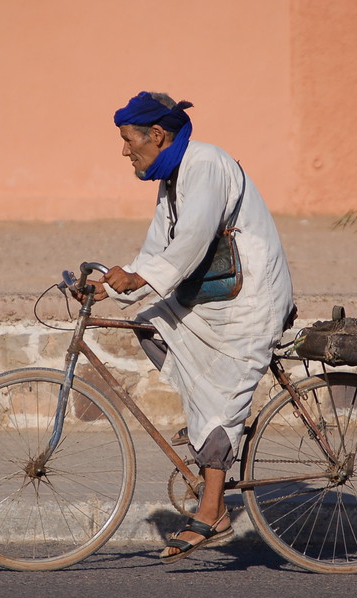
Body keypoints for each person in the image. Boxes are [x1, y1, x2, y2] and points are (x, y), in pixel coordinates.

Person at [90, 91, 294, 563]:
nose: (124, 151)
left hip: (248, 302)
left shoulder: (205, 165)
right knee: (150, 325)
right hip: (213, 299)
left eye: (128, 141)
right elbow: (161, 246)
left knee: (220, 398)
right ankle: (206, 430)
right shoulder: (173, 176)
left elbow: (195, 237)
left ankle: (213, 509)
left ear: (156, 135)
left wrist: (142, 277)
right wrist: (110, 288)